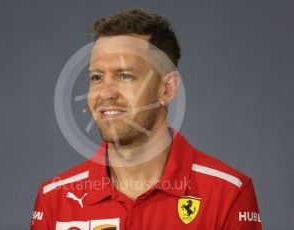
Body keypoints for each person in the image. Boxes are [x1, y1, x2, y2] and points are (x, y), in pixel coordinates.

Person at [31, 9, 262, 230]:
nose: (105, 92)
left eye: (124, 75)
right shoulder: (55, 199)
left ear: (167, 89)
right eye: (96, 77)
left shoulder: (229, 193)